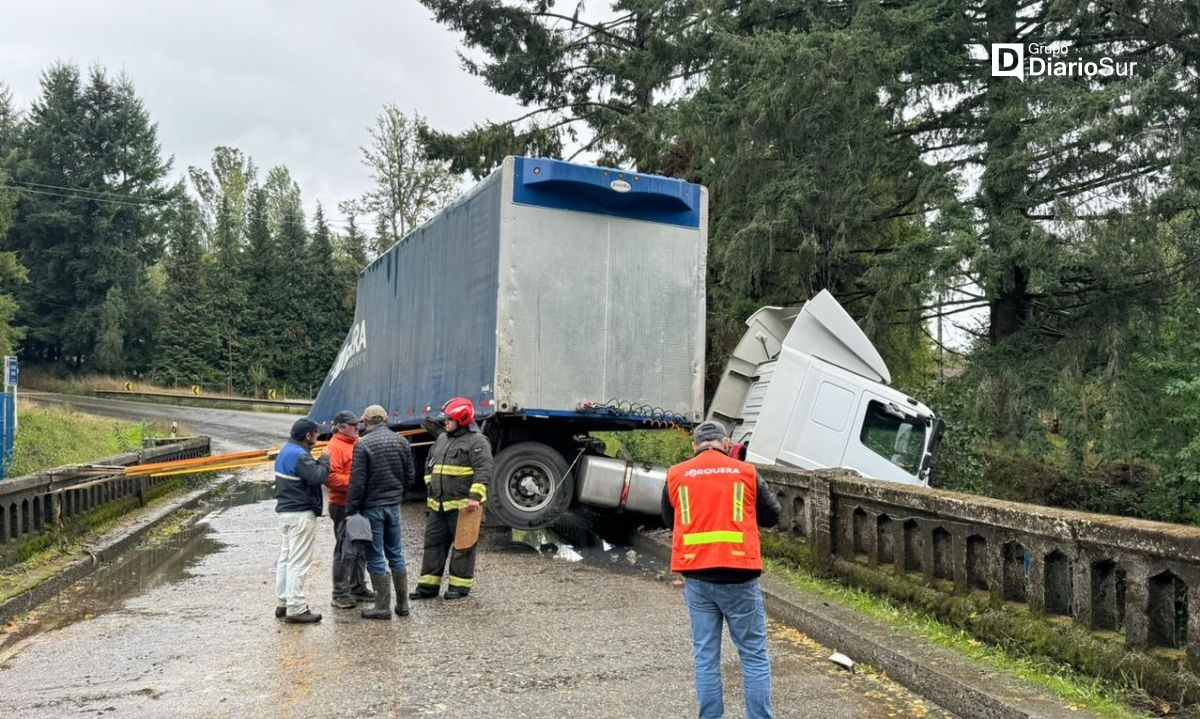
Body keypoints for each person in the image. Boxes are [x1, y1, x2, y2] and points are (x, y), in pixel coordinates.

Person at [661, 421, 782, 719]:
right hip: (740, 574)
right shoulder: (746, 473)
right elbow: (772, 516)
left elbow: (669, 519)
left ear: (695, 446)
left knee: (706, 656)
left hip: (698, 576)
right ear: (726, 444)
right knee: (753, 656)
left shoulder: (677, 474)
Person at [410, 397, 492, 601]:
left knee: (463, 547)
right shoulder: (443, 439)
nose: (445, 422)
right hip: (438, 506)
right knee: (433, 545)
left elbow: (484, 470)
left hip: (465, 507)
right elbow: (430, 465)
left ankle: (459, 587)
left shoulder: (477, 441)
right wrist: (430, 486)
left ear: (462, 420)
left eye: (449, 419)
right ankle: (428, 587)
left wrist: (475, 497)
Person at [346, 404, 415, 620]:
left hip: (372, 508)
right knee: (396, 553)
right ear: (385, 420)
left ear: (366, 422)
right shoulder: (402, 441)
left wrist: (351, 509)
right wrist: (397, 493)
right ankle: (403, 605)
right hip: (394, 506)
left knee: (375, 555)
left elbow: (357, 482)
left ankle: (382, 606)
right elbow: (410, 477)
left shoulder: (363, 445)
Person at [274, 417, 330, 624]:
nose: (318, 436)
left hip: (286, 513)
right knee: (299, 561)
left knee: (286, 559)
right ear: (308, 436)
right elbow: (318, 477)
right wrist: (325, 459)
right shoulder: (299, 455)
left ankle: (283, 601)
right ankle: (296, 607)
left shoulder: (286, 451)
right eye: (316, 433)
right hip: (300, 514)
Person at [326, 410, 374, 609]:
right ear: (340, 427)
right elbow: (330, 478)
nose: (357, 428)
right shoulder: (334, 447)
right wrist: (358, 483)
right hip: (342, 505)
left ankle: (357, 587)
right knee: (345, 551)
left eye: (358, 424)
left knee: (359, 548)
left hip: (357, 503)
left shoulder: (357, 443)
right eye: (352, 425)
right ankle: (339, 593)